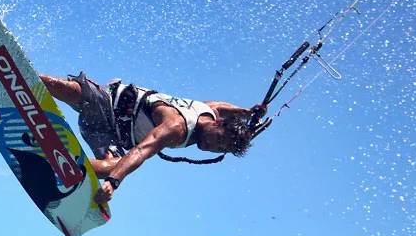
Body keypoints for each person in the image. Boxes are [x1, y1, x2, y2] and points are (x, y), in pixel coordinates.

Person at [38, 72, 267, 204]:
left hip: (109, 134)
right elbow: (141, 151)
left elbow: (218, 105)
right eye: (218, 140)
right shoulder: (177, 127)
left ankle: (58, 167)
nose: (210, 147)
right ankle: (30, 76)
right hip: (110, 103)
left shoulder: (210, 113)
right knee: (75, 91)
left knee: (114, 165)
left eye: (219, 149)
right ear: (219, 125)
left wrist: (246, 112)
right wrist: (114, 182)